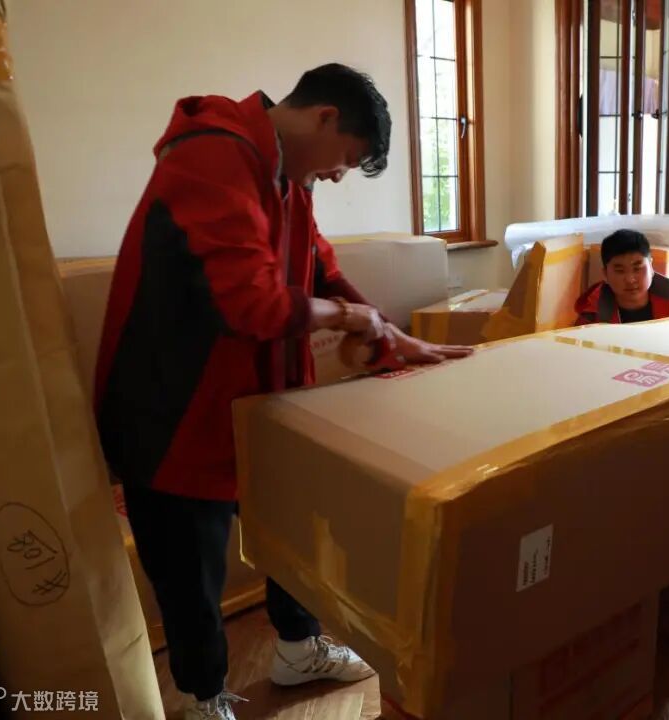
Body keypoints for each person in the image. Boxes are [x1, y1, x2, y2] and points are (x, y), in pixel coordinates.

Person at [94, 64, 469, 720]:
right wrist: (353, 320)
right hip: (175, 415)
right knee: (192, 574)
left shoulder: (287, 179)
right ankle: (202, 697)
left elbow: (321, 270)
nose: (337, 176)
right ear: (325, 117)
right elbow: (255, 305)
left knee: (293, 532)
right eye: (345, 160)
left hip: (259, 404)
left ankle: (298, 650)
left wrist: (392, 339)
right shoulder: (212, 153)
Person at [574, 229, 669, 325]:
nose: (630, 279)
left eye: (637, 269)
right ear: (605, 275)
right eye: (620, 271)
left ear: (651, 267)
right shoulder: (592, 311)